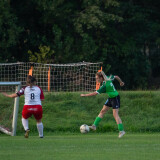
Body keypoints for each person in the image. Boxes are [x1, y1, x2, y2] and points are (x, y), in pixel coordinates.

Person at [80, 71, 125, 138]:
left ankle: (121, 131)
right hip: (110, 98)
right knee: (102, 111)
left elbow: (95, 94)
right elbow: (116, 77)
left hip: (115, 98)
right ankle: (94, 126)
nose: (96, 80)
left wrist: (85, 95)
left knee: (115, 114)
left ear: (101, 78)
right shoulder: (108, 78)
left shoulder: (104, 86)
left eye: (97, 78)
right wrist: (120, 82)